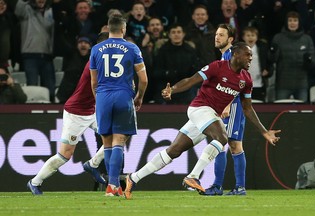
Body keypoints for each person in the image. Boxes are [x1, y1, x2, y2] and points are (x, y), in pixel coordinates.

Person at [123, 41, 281, 200]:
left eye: (252, 55)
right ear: (235, 54)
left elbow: (247, 108)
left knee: (173, 151)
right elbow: (192, 80)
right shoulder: (217, 67)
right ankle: (193, 175)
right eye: (247, 54)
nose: (250, 58)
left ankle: (134, 177)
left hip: (209, 116)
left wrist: (264, 131)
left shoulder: (246, 79)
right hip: (200, 109)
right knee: (222, 137)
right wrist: (173, 89)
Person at [26, 32, 111, 196]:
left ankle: (92, 165)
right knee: (65, 155)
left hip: (92, 110)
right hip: (76, 112)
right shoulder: (96, 62)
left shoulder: (105, 62)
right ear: (102, 47)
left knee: (117, 138)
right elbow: (99, 90)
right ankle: (35, 182)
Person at [89, 14, 148, 197]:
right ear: (123, 29)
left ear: (108, 28)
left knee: (106, 142)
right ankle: (113, 185)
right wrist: (139, 97)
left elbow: (93, 82)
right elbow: (144, 80)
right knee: (119, 142)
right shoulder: (132, 48)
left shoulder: (96, 49)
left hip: (103, 97)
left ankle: (110, 187)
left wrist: (99, 99)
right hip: (123, 96)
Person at [202, 23, 247, 196]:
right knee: (232, 145)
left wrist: (227, 104)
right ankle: (236, 187)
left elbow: (237, 82)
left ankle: (219, 186)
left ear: (230, 39)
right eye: (216, 34)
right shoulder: (225, 57)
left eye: (221, 35)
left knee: (225, 144)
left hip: (233, 105)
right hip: (230, 105)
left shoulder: (231, 56)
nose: (217, 37)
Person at [15, 0, 56, 102]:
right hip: (30, 55)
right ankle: (31, 116)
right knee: (32, 88)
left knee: (50, 88)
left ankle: (52, 114)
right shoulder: (26, 9)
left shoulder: (50, 11)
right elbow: (18, 8)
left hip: (47, 56)